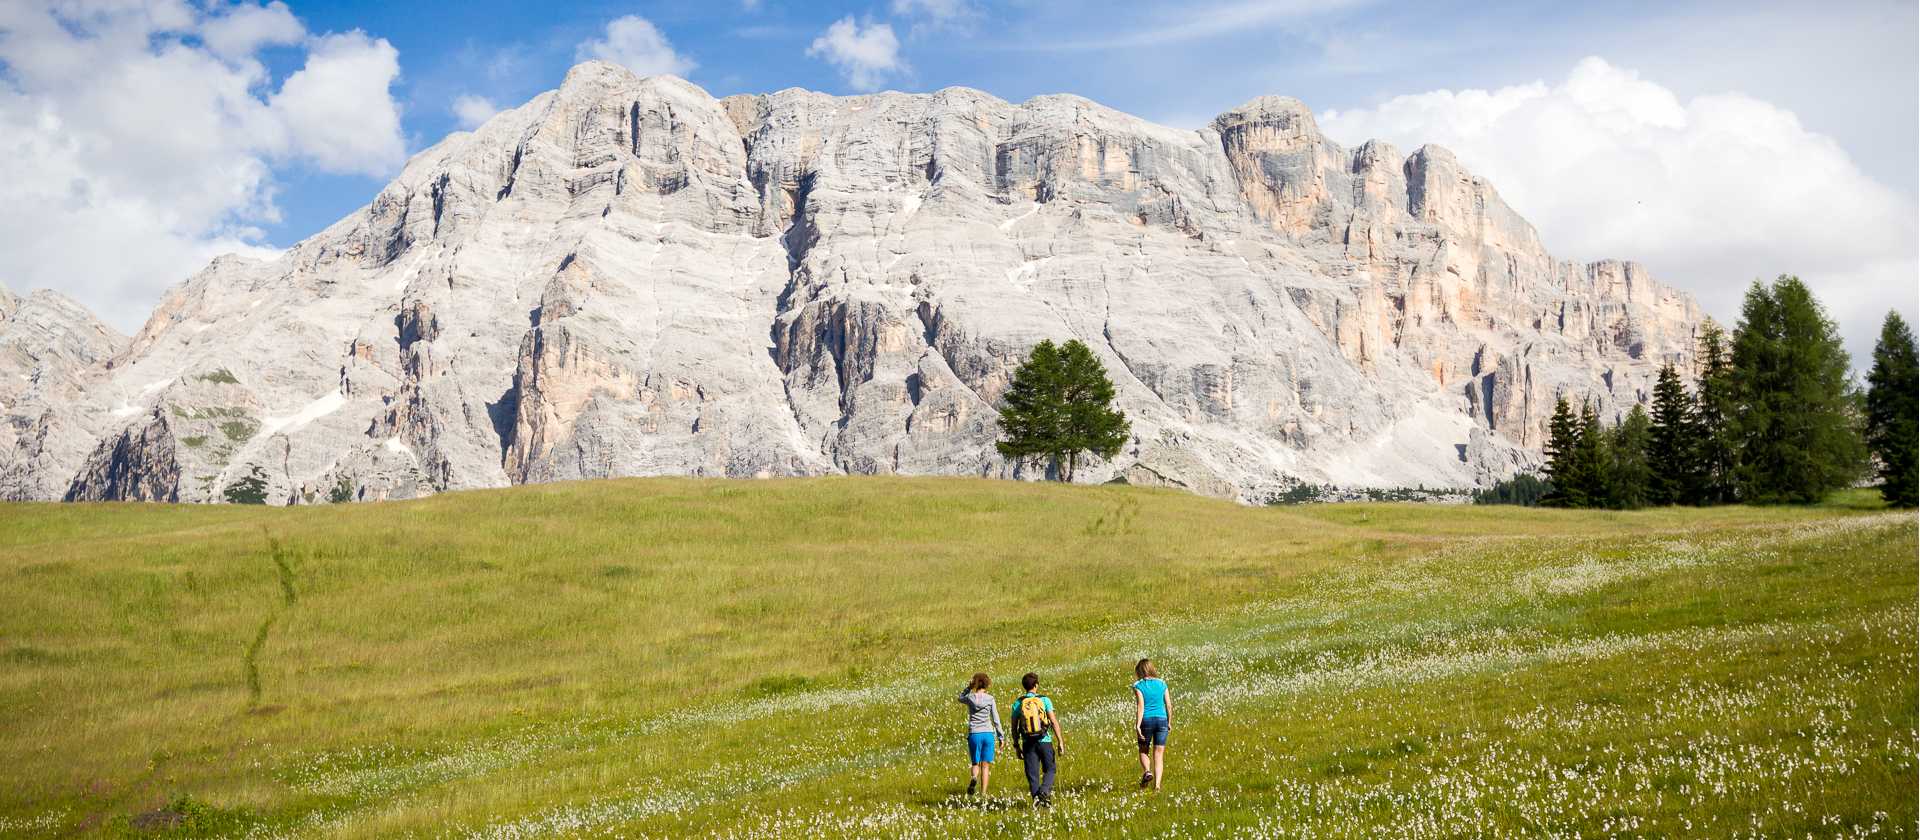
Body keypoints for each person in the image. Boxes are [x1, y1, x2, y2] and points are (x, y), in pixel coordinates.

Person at [1009, 672, 1065, 806]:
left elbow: (1014, 727)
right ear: (1036, 685)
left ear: (1024, 686)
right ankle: (1044, 792)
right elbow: (1053, 721)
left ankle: (1037, 801)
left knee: (1032, 775)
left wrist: (1016, 746)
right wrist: (1060, 741)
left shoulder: (1018, 703)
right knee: (1050, 769)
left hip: (1028, 743)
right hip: (1044, 740)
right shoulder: (1044, 700)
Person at [956, 672, 1003, 797]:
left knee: (975, 763)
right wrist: (1001, 736)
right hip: (988, 733)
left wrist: (969, 687)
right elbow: (996, 719)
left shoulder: (970, 698)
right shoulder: (990, 699)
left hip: (974, 734)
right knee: (985, 765)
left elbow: (960, 697)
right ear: (987, 684)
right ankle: (983, 794)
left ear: (975, 684)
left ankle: (974, 777)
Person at [1132, 658, 1172, 790]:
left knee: (1144, 750)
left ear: (1140, 671)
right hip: (1162, 720)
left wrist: (1137, 725)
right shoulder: (1162, 683)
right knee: (1159, 755)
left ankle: (1147, 771)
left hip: (1147, 720)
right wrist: (1169, 722)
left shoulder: (1138, 685)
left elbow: (1141, 706)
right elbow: (1169, 705)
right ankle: (1157, 786)